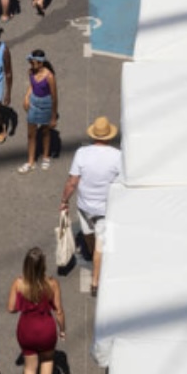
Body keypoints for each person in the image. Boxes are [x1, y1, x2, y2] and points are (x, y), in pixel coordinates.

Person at [60, 117, 122, 296]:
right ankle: (95, 282)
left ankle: (90, 253)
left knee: (88, 234)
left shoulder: (82, 153)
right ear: (109, 136)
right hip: (105, 208)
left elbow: (72, 182)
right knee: (100, 246)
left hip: (85, 205)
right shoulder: (117, 156)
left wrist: (64, 200)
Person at [7, 248, 65, 374]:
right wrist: (62, 330)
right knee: (47, 360)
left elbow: (11, 308)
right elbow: (59, 311)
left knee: (30, 368)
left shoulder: (19, 283)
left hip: (26, 329)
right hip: (46, 329)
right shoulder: (52, 284)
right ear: (44, 265)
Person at [18, 49, 58, 172]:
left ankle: (46, 157)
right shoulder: (30, 72)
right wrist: (26, 96)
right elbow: (32, 85)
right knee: (31, 134)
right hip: (34, 103)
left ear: (40, 63)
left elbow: (54, 97)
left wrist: (53, 116)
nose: (31, 64)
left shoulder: (49, 76)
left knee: (45, 132)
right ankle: (31, 162)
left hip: (46, 104)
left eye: (33, 62)